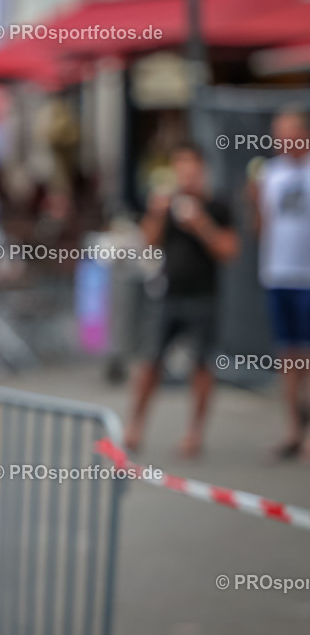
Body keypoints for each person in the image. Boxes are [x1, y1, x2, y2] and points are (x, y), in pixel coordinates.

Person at [124, 143, 239, 457]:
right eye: (180, 168)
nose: (186, 175)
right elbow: (147, 244)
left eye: (191, 168)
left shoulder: (217, 206)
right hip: (168, 295)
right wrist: (156, 213)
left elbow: (229, 251)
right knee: (149, 364)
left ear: (202, 170)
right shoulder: (167, 206)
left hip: (204, 297)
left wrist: (200, 223)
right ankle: (134, 428)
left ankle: (194, 434)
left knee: (201, 366)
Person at [250, 107, 310, 459]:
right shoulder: (270, 174)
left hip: (307, 277)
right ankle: (293, 430)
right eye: (278, 134)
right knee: (288, 357)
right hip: (278, 275)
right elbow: (263, 228)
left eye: (288, 133)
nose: (282, 140)